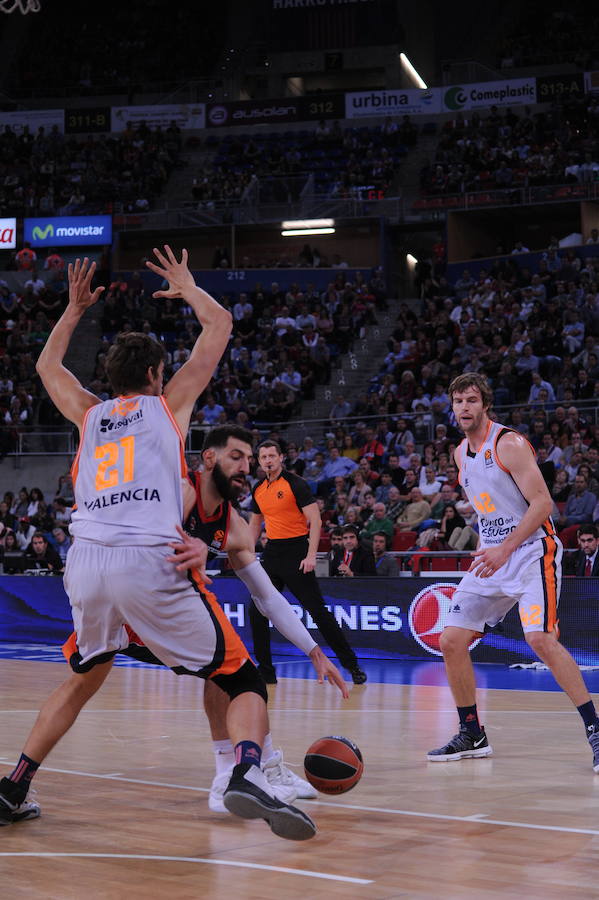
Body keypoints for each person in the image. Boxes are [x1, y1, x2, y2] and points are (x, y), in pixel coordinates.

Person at [0, 250, 328, 840]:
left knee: (84, 674)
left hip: (84, 563)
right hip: (146, 560)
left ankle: (15, 783)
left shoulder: (91, 415)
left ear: (111, 378)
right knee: (242, 681)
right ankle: (247, 772)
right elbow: (221, 325)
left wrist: (73, 310)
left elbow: (47, 367)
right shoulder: (169, 408)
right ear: (155, 376)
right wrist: (188, 285)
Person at [92, 424, 345, 814]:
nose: (247, 466)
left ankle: (260, 768)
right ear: (209, 457)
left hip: (158, 614)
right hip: (124, 608)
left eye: (249, 459)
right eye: (237, 457)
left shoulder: (233, 527)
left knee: (234, 670)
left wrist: (313, 650)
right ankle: (232, 774)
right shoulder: (177, 492)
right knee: (233, 669)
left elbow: (268, 597)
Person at [427, 372, 599, 771]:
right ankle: (472, 733)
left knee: (539, 638)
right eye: (458, 402)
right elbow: (492, 510)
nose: (464, 408)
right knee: (451, 639)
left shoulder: (510, 443)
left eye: (471, 400)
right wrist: (488, 545)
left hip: (531, 552)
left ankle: (594, 727)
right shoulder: (458, 454)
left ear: (485, 404)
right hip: (494, 554)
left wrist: (505, 547)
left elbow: (542, 504)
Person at [249, 441, 367, 685]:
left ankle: (352, 664)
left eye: (272, 455)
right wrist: (248, 554)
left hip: (297, 551)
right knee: (256, 610)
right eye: (263, 457)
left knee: (318, 612)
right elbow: (254, 524)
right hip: (272, 554)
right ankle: (266, 671)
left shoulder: (295, 484)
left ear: (281, 457)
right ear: (259, 461)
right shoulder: (258, 489)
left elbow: (316, 520)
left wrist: (311, 555)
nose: (268, 460)